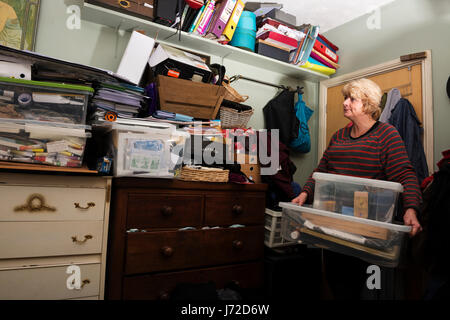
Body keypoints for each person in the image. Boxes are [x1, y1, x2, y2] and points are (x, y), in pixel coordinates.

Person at [291, 78, 423, 299]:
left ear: (368, 103)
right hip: (336, 229)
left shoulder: (386, 135)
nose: (345, 102)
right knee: (339, 286)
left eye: (352, 99)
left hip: (369, 232)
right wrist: (304, 193)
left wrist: (411, 208)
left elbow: (405, 174)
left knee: (369, 292)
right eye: (345, 98)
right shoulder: (339, 136)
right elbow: (321, 171)